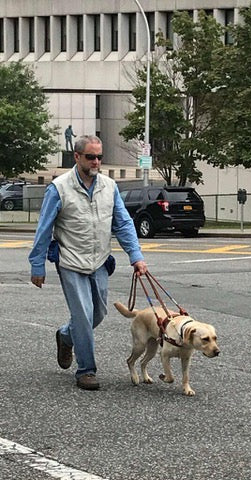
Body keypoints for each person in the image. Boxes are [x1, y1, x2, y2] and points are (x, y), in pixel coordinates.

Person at [29, 135, 148, 391]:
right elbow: (44, 229)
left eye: (99, 157)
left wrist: (135, 256)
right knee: (82, 315)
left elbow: (123, 223)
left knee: (98, 313)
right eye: (90, 157)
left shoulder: (109, 186)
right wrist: (37, 265)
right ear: (77, 157)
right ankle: (86, 370)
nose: (96, 162)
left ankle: (65, 335)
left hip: (99, 260)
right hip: (70, 261)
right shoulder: (59, 188)